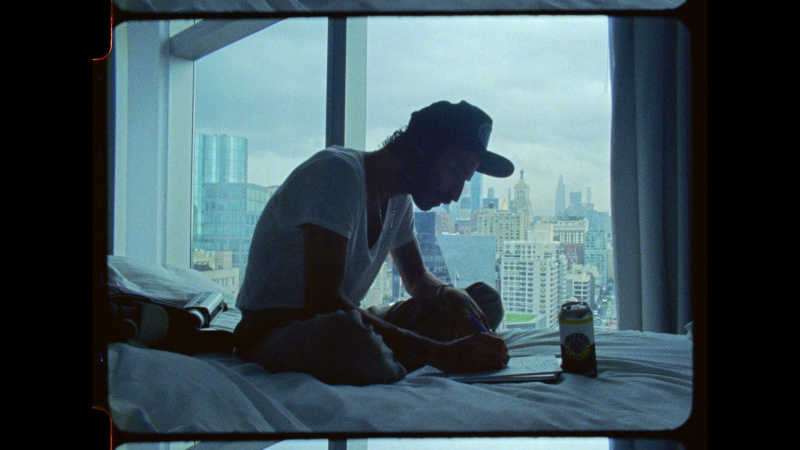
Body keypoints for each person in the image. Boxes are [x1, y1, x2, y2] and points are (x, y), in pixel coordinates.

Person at [233, 100, 515, 386]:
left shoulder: (399, 201)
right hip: (276, 329)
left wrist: (448, 294)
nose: (456, 194)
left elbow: (417, 279)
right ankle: (393, 357)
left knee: (480, 302)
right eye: (457, 171)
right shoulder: (337, 173)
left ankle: (392, 355)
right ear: (422, 148)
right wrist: (443, 354)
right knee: (360, 346)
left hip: (343, 320)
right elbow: (324, 302)